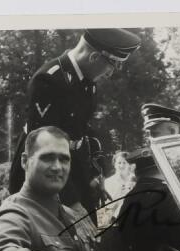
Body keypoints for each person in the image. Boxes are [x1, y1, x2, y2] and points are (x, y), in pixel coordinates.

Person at [9, 29, 141, 224]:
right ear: (95, 57)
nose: (111, 72)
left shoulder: (88, 83)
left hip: (71, 170)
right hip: (43, 179)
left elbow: (82, 132)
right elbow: (45, 152)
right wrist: (72, 202)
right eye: (112, 65)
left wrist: (95, 173)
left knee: (95, 231)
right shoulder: (48, 80)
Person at [0, 126, 134, 251]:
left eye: (64, 159)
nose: (57, 167)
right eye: (47, 158)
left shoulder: (70, 214)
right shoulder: (16, 211)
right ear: (25, 161)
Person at [101, 104, 180, 251]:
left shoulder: (148, 192)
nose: (149, 141)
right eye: (150, 135)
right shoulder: (161, 196)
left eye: (155, 135)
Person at [101, 151, 134, 226]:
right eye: (119, 163)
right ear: (114, 165)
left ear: (129, 165)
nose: (122, 166)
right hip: (116, 221)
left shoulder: (134, 180)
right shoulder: (108, 182)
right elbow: (106, 211)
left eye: (124, 163)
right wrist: (120, 191)